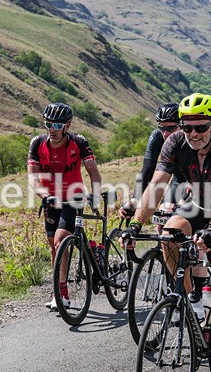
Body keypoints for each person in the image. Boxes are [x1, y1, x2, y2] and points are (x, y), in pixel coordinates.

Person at [125, 92, 211, 372]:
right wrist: (135, 223)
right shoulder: (174, 142)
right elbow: (157, 184)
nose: (193, 134)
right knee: (169, 235)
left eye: (201, 127)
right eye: (187, 127)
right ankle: (190, 300)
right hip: (197, 202)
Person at [27, 102, 102, 311]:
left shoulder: (78, 142)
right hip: (51, 199)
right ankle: (92, 252)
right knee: (54, 249)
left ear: (67, 126)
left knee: (61, 241)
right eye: (49, 124)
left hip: (74, 197)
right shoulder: (37, 143)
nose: (52, 129)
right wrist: (45, 194)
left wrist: (94, 196)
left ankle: (61, 293)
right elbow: (33, 179)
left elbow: (93, 172)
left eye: (58, 125)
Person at [119, 103, 187, 219]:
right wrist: (135, 200)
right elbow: (147, 169)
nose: (165, 133)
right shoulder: (157, 137)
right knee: (162, 216)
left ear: (182, 125)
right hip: (178, 180)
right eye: (162, 128)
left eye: (171, 128)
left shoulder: (191, 138)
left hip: (198, 183)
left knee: (184, 216)